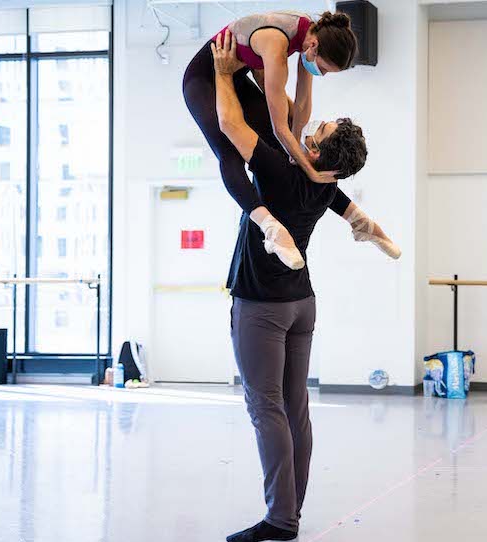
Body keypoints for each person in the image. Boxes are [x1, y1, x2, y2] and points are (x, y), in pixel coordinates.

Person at [210, 33, 396, 542]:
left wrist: (225, 74)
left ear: (316, 150)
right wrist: (303, 69)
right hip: (302, 305)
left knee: (266, 406)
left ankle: (279, 519)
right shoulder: (324, 183)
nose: (307, 129)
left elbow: (230, 124)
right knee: (294, 407)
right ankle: (290, 511)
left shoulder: (280, 170)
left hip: (263, 305)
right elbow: (294, 115)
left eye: (316, 132)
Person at [183, 10, 361, 271]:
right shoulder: (277, 43)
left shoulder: (308, 35)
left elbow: (301, 104)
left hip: (235, 75)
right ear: (314, 47)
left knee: (282, 142)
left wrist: (299, 148)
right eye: (324, 68)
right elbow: (279, 128)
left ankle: (353, 216)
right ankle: (269, 226)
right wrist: (309, 169)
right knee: (230, 151)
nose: (322, 73)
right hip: (205, 78)